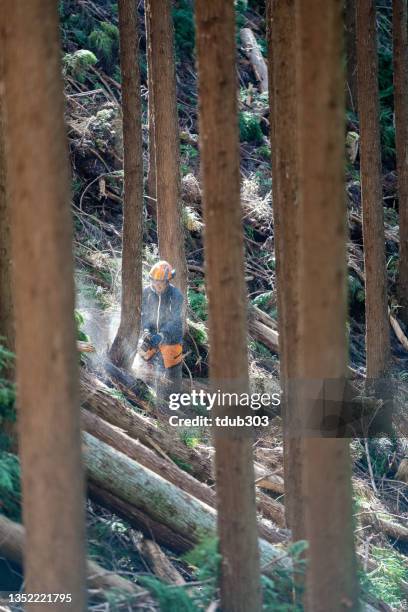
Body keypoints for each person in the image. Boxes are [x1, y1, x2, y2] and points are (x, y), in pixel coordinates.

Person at [138, 260, 184, 409]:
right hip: (152, 335)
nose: (157, 285)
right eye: (154, 281)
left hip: (171, 338)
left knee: (172, 369)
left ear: (168, 280)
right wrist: (146, 330)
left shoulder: (175, 295)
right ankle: (146, 396)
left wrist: (163, 335)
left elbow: (176, 321)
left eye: (161, 282)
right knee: (143, 358)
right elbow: (144, 314)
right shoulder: (146, 292)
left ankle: (174, 404)